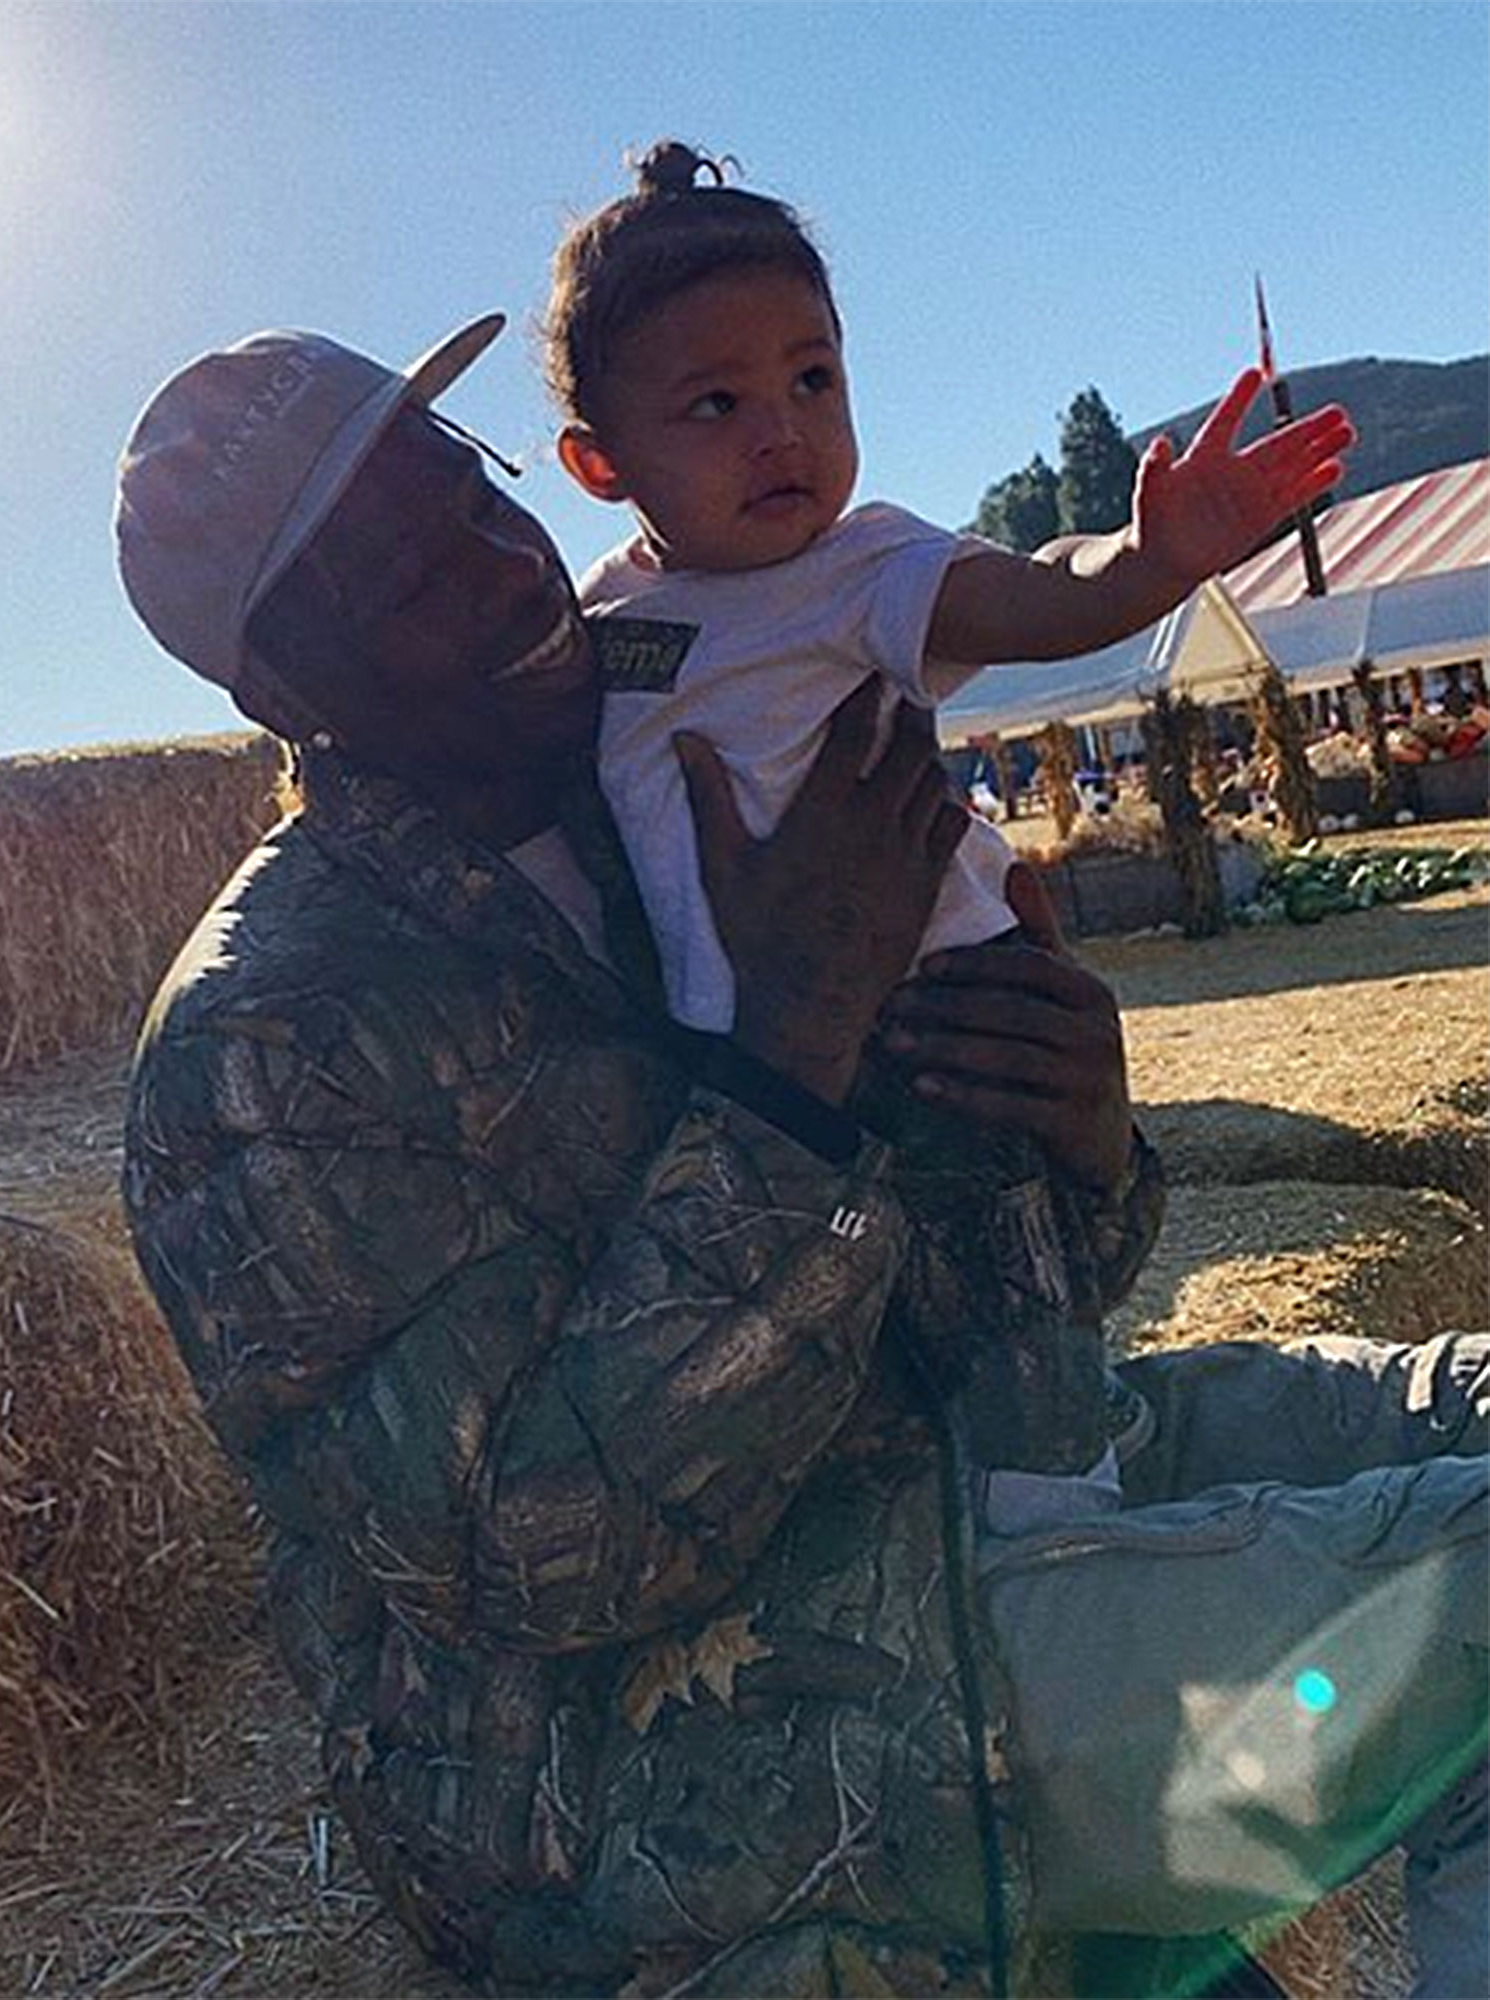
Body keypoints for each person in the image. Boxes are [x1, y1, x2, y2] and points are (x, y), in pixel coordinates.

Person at [113, 317, 1487, 1998]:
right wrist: (787, 1057)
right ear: (287, 691)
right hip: (684, 1766)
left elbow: (957, 1272)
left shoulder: (685, 756)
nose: (505, 581)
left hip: (969, 1484)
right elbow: (536, 1559)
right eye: (407, 581)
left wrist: (1071, 1134)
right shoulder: (265, 1044)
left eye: (471, 505)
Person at [543, 142, 1354, 1036]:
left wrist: (1146, 559)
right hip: (755, 1049)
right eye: (717, 404)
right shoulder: (601, 611)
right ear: (600, 462)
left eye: (813, 380)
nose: (783, 433)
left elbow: (1043, 594)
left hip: (943, 1004)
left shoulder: (865, 568)